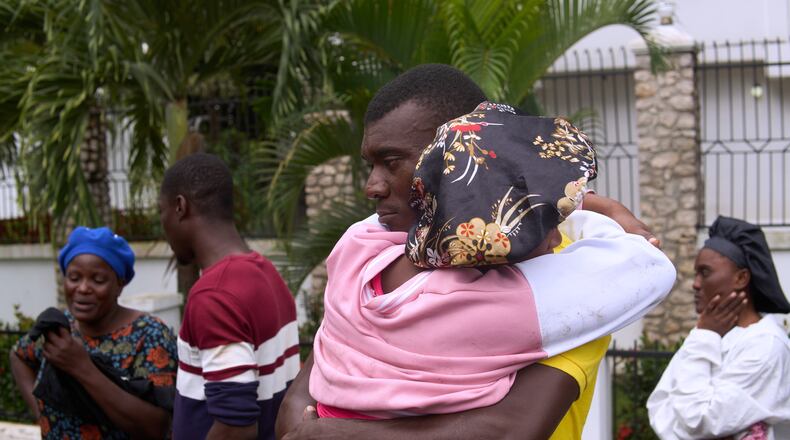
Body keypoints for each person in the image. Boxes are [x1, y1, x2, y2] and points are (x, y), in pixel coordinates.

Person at [277, 64, 669, 439]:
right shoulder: (379, 250)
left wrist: (335, 432)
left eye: (392, 162)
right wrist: (595, 207)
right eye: (372, 164)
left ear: (461, 155)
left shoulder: (571, 274)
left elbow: (508, 429)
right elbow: (300, 400)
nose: (372, 187)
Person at [160, 153, 299, 440]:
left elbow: (236, 426)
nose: (163, 226)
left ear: (180, 207)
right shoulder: (266, 273)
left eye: (161, 211)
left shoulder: (214, 295)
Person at [9, 227, 177, 439]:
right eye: (74, 278)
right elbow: (19, 356)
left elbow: (158, 427)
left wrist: (81, 367)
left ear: (120, 284)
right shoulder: (61, 328)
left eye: (98, 280)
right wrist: (40, 413)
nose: (83, 288)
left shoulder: (150, 334)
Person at [647, 216, 790, 440]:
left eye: (705, 272)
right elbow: (658, 409)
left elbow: (698, 420)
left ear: (741, 278)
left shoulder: (765, 345)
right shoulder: (710, 333)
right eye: (696, 273)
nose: (695, 284)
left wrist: (705, 335)